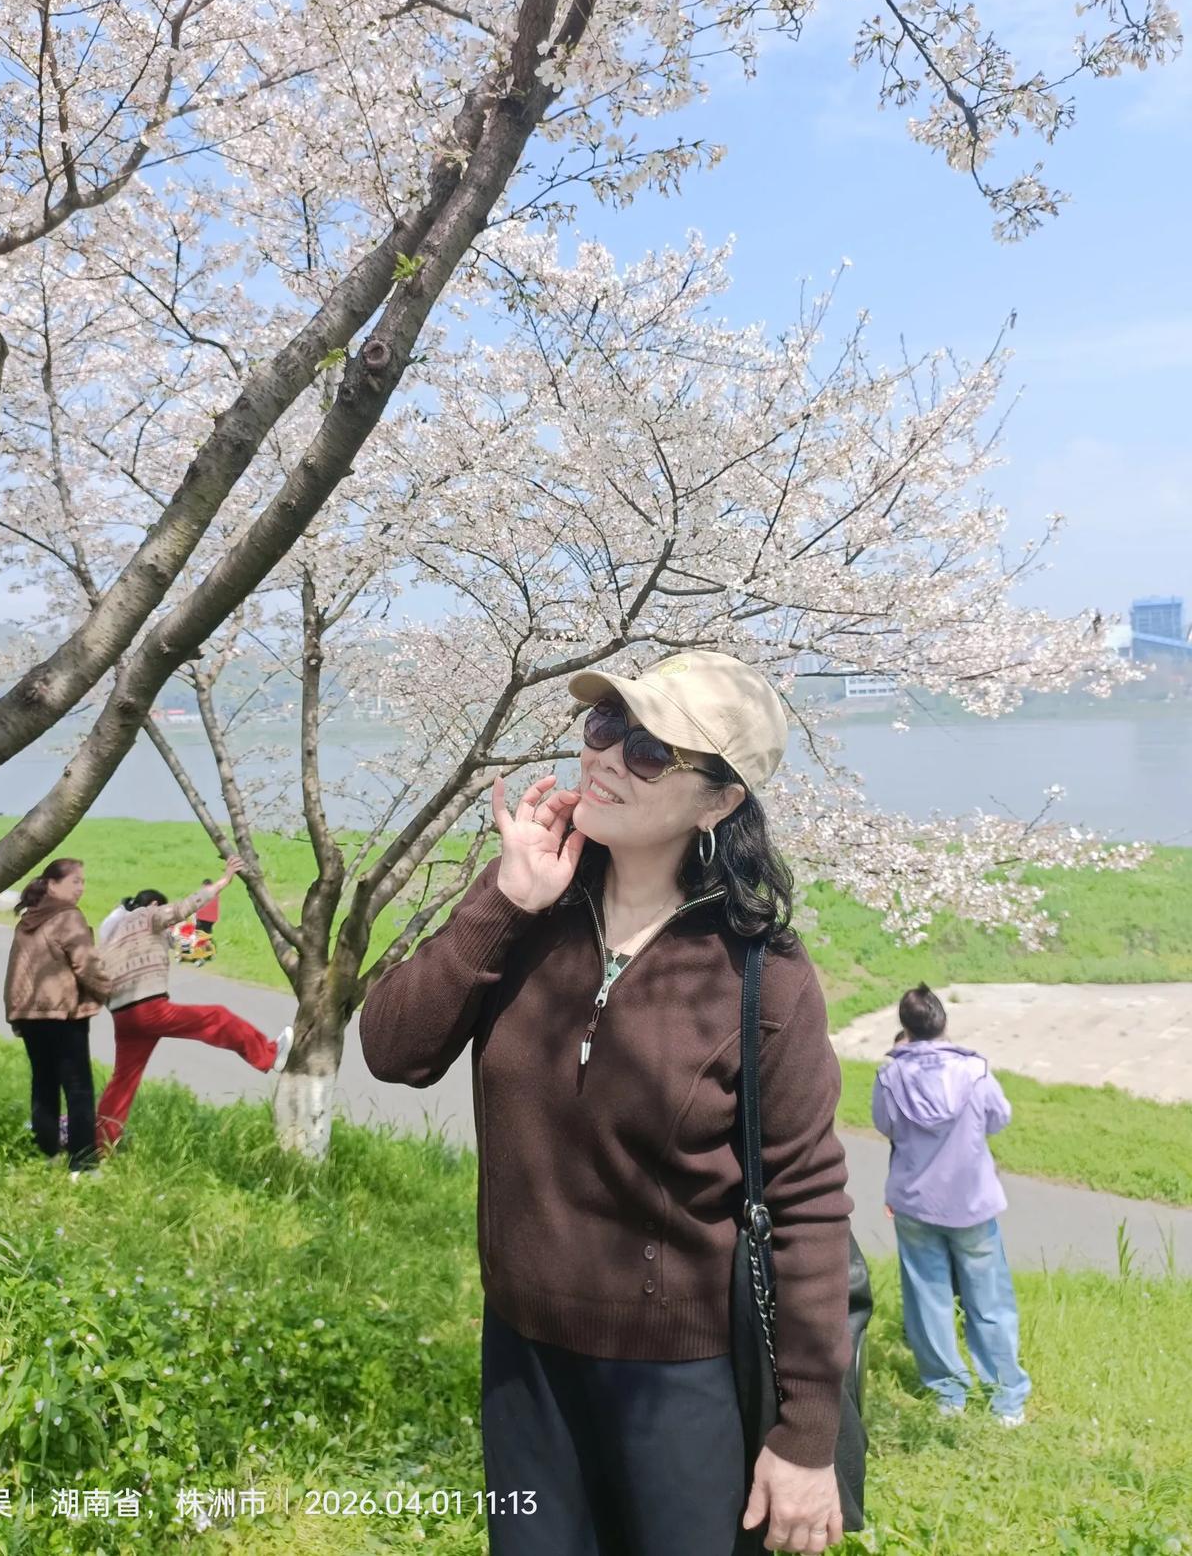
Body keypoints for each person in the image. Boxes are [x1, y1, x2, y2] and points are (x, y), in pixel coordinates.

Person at [360, 651, 854, 1556]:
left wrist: (806, 1435)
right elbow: (393, 1051)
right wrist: (504, 899)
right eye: (605, 727)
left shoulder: (760, 976)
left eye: (650, 751)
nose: (607, 758)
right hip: (523, 1360)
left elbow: (808, 1203)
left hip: (681, 1384)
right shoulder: (530, 914)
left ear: (718, 802)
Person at [872, 985, 1031, 1427]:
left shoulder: (890, 1077)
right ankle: (1006, 1400)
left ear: (905, 1027)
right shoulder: (975, 1072)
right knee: (990, 1302)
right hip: (971, 1200)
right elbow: (999, 1117)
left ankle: (948, 1394)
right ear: (943, 1021)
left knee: (929, 1301)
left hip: (915, 1202)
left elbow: (886, 1125)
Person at [95, 856, 293, 1148]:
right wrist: (223, 881)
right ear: (154, 905)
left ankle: (99, 1146)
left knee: (122, 1081)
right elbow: (181, 909)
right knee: (217, 1018)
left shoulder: (113, 933)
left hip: (122, 1016)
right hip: (148, 1007)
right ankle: (269, 1055)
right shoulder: (148, 915)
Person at [4, 857, 112, 1175]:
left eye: (83, 882)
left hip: (29, 1015)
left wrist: (16, 1014)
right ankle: (83, 1164)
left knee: (43, 1083)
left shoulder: (29, 919)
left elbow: (15, 971)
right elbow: (86, 964)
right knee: (78, 1089)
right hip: (63, 1014)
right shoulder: (68, 917)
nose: (81, 888)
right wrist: (108, 991)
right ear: (52, 884)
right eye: (75, 881)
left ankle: (46, 1153)